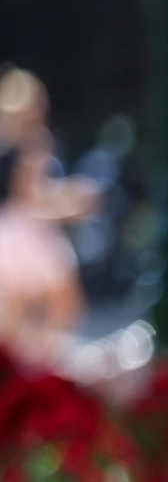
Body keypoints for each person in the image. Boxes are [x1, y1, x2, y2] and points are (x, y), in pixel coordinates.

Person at [0, 67, 98, 365]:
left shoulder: (6, 139)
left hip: (7, 232)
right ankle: (41, 373)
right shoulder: (35, 141)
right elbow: (33, 198)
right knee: (64, 308)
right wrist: (73, 204)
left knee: (15, 320)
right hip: (29, 233)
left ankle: (22, 377)